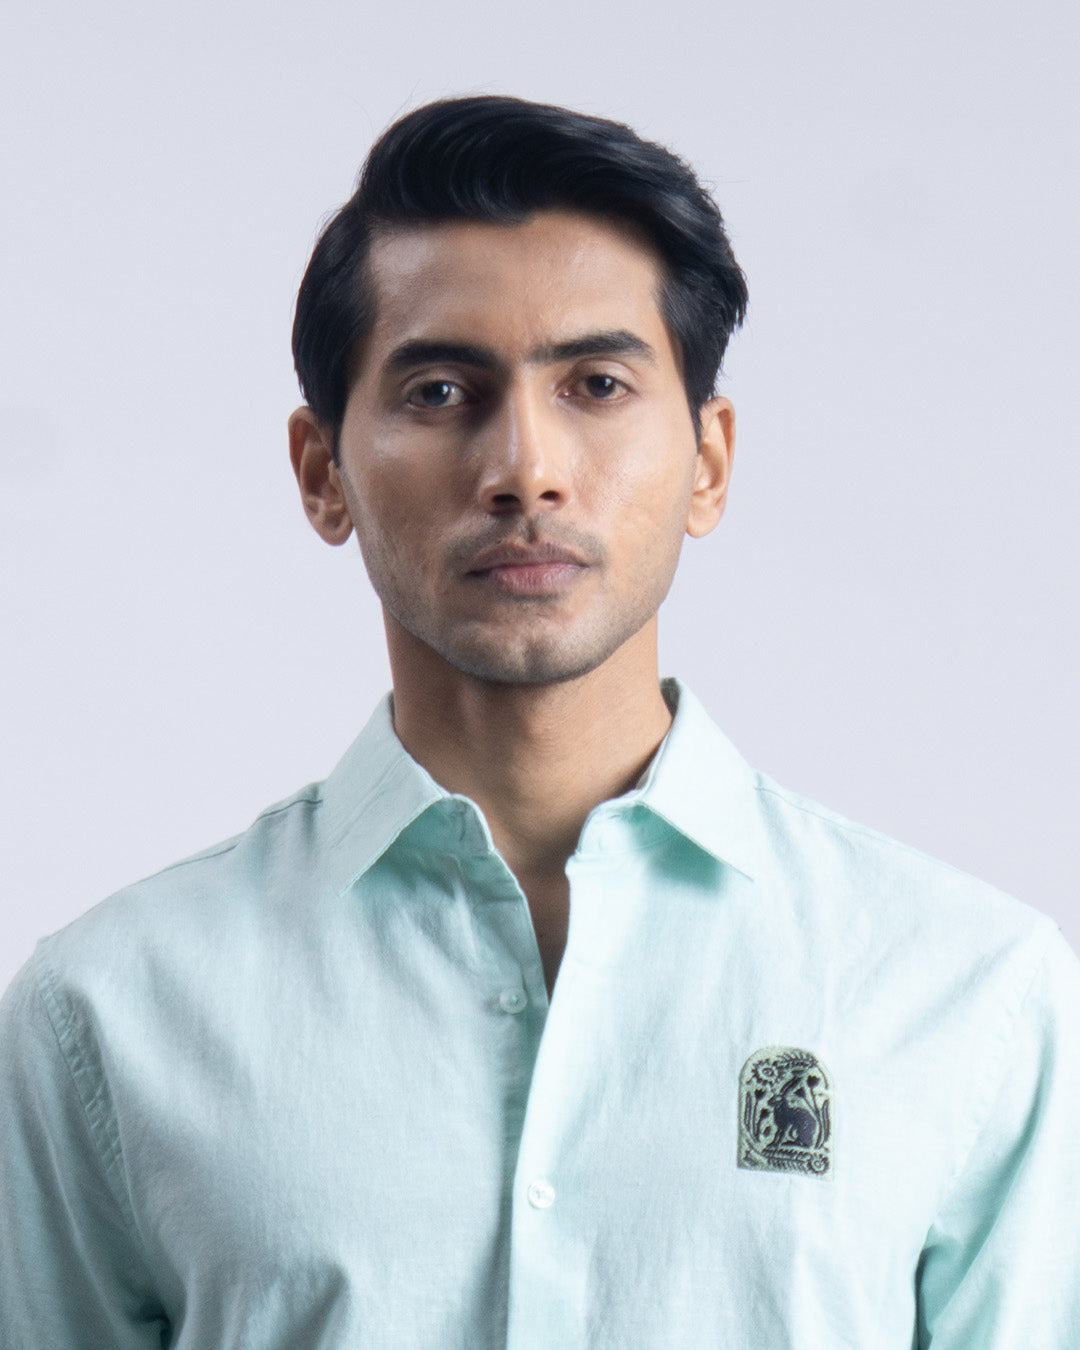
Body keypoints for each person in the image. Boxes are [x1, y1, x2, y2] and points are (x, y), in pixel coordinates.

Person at [1, 95, 1077, 1349]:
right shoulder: (110, 1011)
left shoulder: (966, 990)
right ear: (322, 473)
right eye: (441, 390)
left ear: (709, 462)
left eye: (598, 384)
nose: (526, 469)